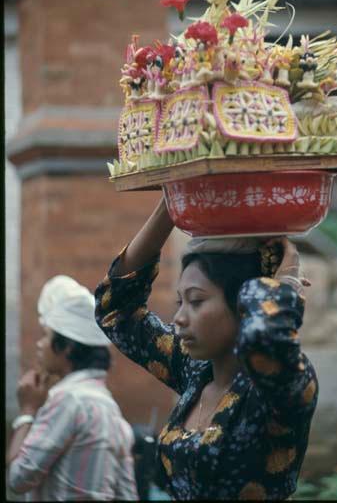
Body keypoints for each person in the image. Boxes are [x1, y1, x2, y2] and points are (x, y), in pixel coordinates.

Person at [94, 196, 318, 500]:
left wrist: (285, 280)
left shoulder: (279, 387)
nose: (179, 318)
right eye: (180, 302)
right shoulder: (194, 371)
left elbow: (268, 339)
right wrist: (171, 203)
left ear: (245, 306)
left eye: (197, 301)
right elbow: (116, 310)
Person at [7, 274, 138, 501]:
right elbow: (127, 494)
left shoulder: (67, 400)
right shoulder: (111, 411)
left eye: (46, 336)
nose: (40, 345)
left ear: (66, 347)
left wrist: (27, 411)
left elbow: (18, 479)